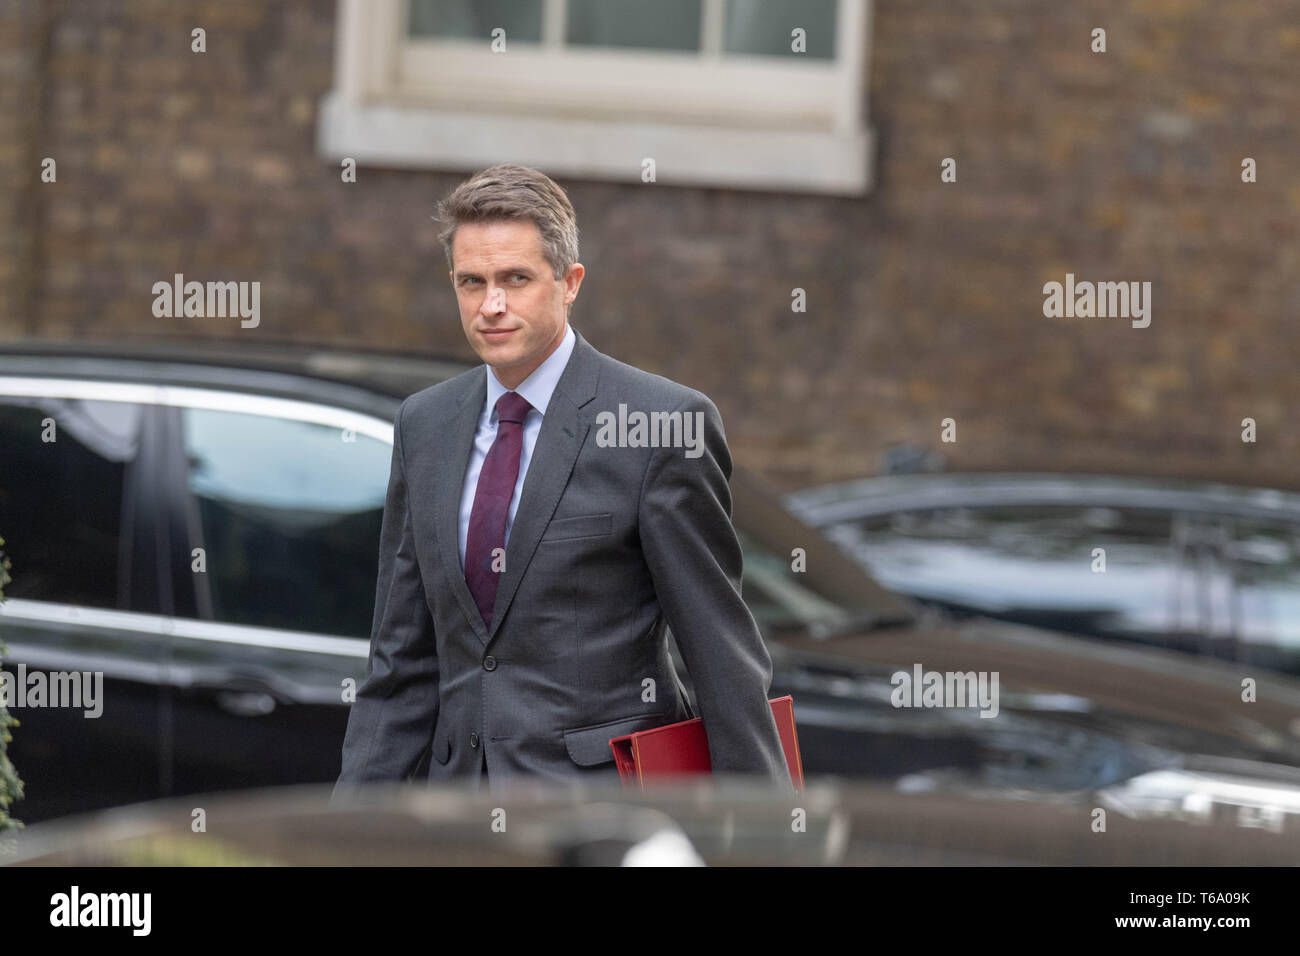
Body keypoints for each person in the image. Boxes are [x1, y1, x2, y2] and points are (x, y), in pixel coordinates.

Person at [334, 163, 791, 795]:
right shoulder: (425, 424)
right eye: (473, 282)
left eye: (515, 279)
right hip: (457, 816)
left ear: (570, 282)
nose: (491, 305)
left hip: (599, 813)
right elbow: (400, 662)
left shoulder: (660, 424)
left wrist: (766, 838)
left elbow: (721, 657)